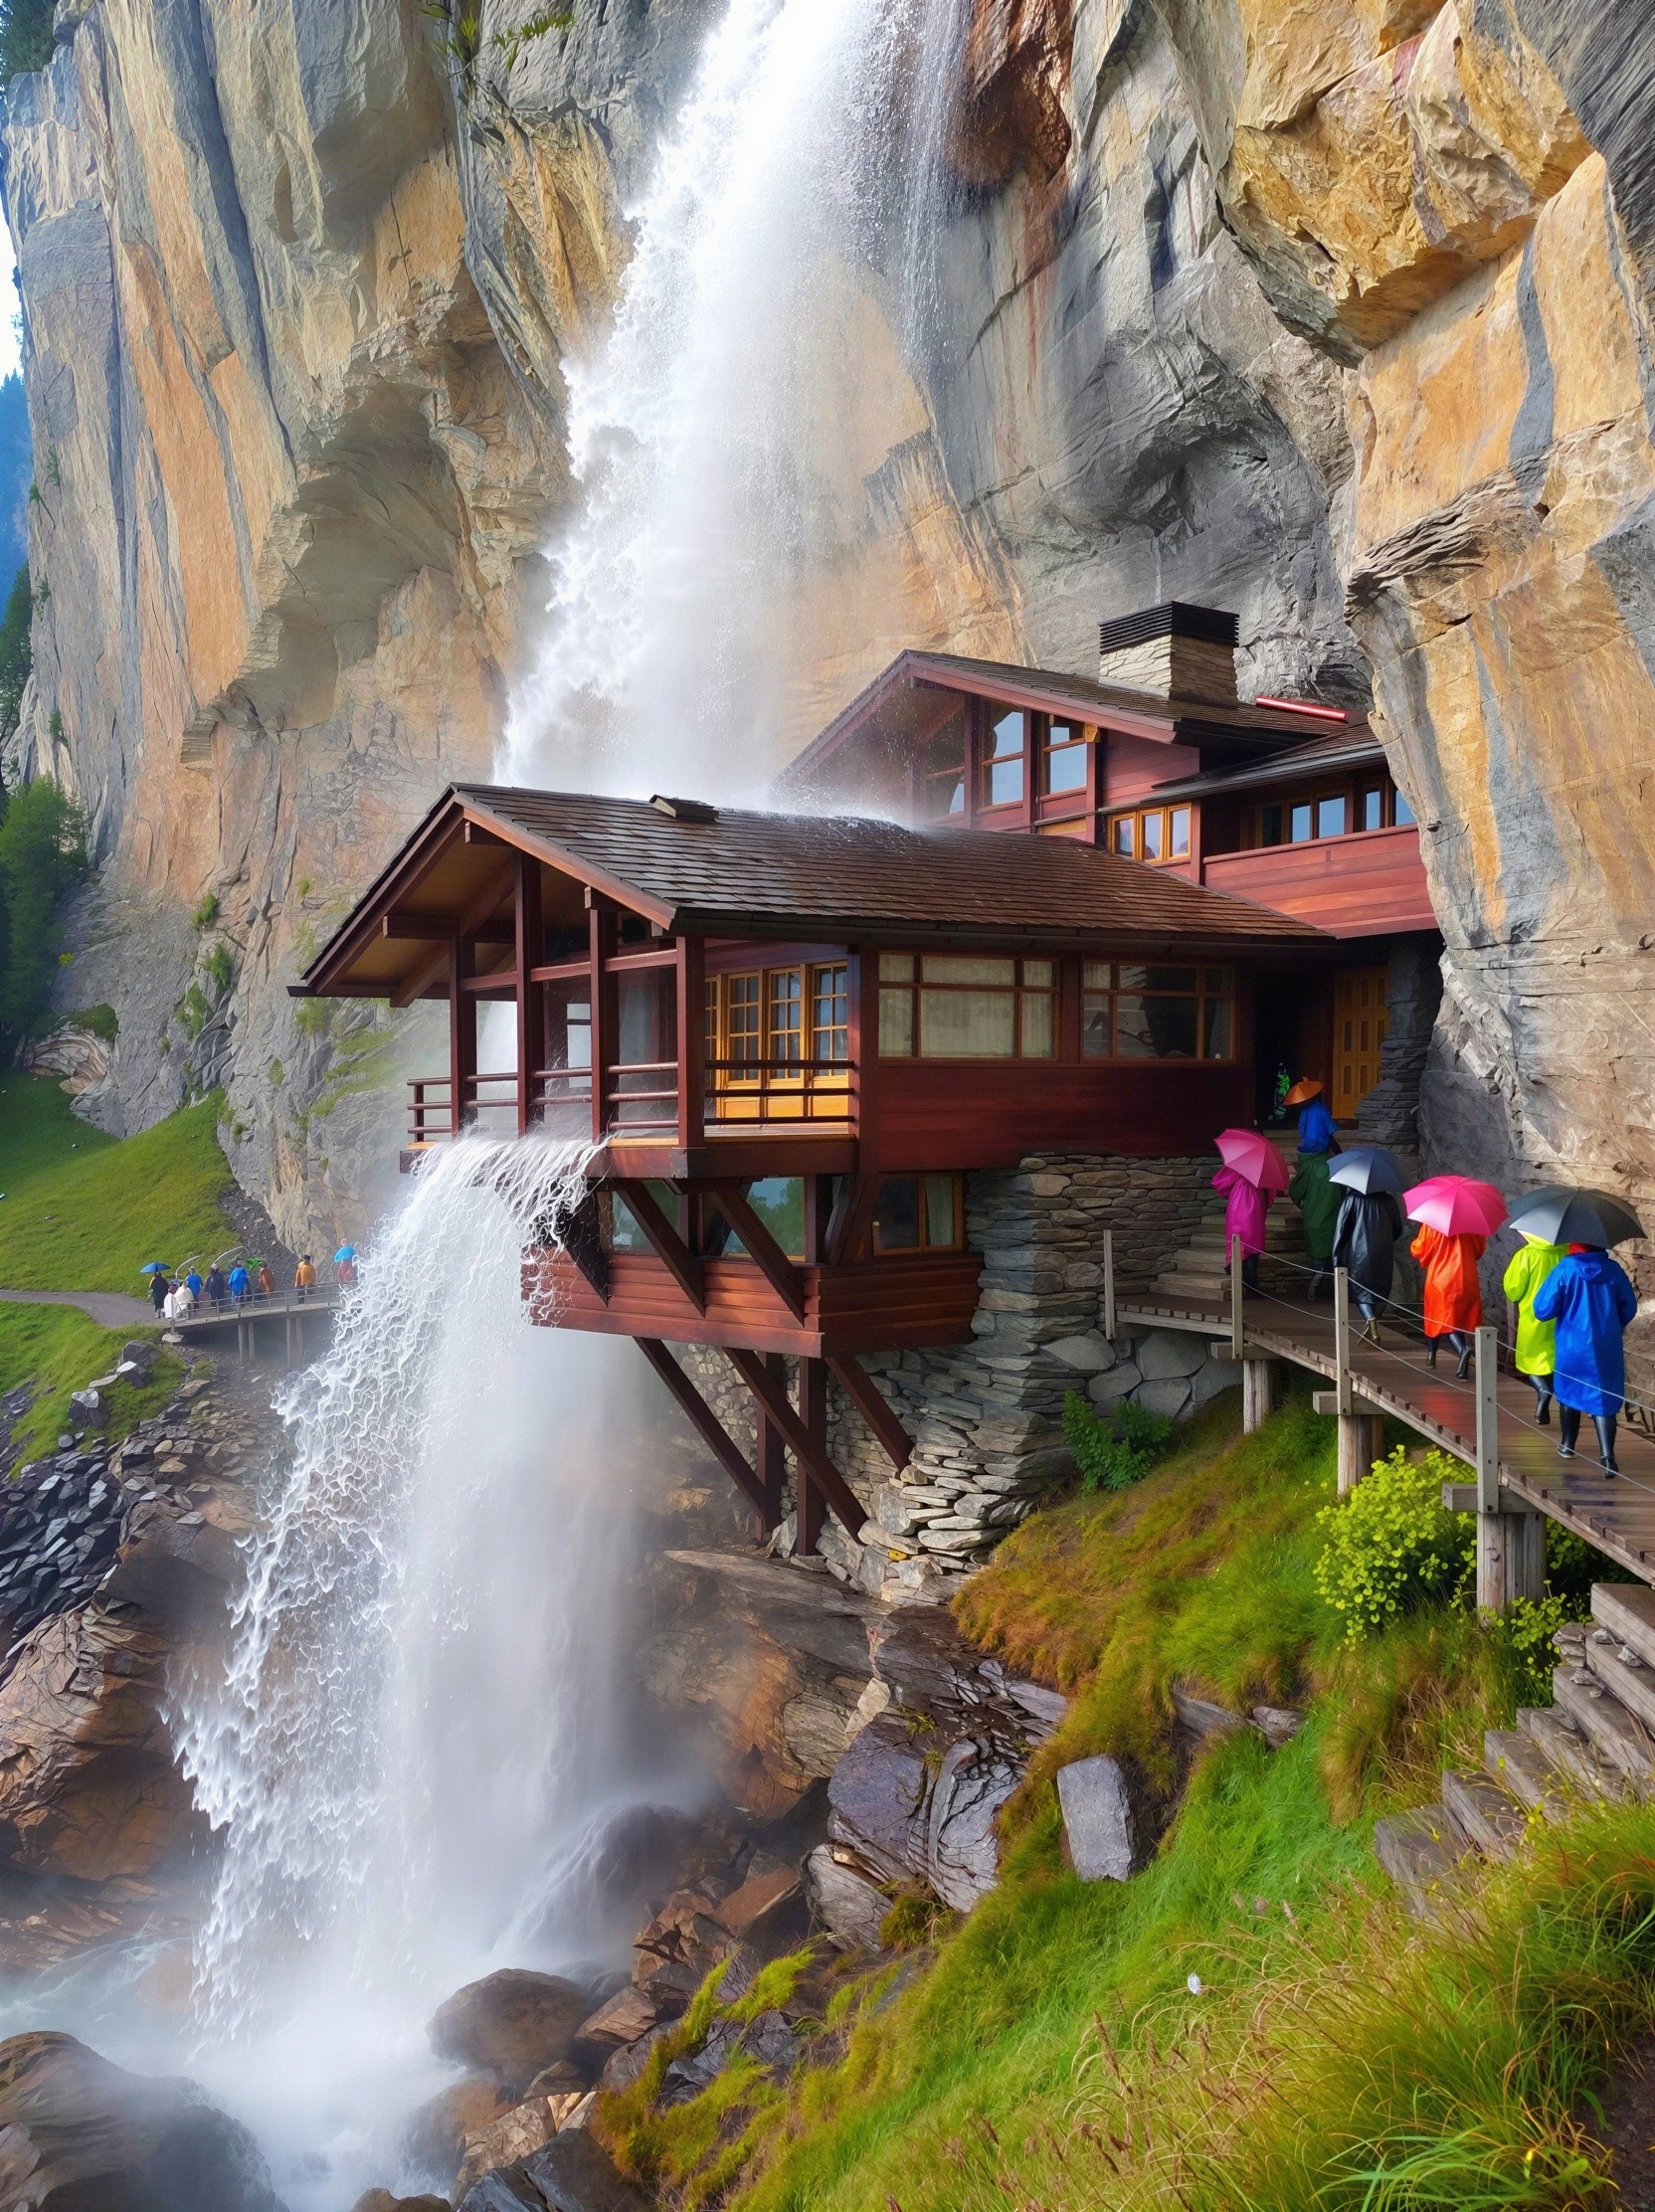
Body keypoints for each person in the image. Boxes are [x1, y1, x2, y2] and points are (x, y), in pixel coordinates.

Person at [1533, 1243, 1638, 1473]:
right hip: (1606, 1346)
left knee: (1569, 1392)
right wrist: (1611, 1324)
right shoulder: (1614, 1269)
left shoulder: (1565, 1268)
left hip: (1572, 1345)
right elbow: (1629, 1307)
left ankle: (1567, 1445)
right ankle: (1608, 1457)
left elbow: (1542, 1309)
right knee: (1604, 1396)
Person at [1502, 1231, 1568, 1424]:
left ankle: (1542, 1390)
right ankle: (1555, 1393)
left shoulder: (1526, 1255)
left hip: (1532, 1317)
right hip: (1560, 1317)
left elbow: (1513, 1290)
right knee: (1552, 1358)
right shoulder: (1566, 1253)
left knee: (1529, 1359)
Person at [1410, 1221, 1486, 1377]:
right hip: (1466, 1278)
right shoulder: (1470, 1223)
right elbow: (1479, 1250)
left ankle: (1461, 1350)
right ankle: (1435, 1357)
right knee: (1458, 1320)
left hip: (1441, 1280)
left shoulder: (1432, 1223)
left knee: (1441, 1320)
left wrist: (1414, 1244)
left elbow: (1419, 1249)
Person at [1330, 1185, 1404, 1342]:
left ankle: (1370, 1319)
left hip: (1358, 1254)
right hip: (1383, 1252)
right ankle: (1372, 1325)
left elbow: (1341, 1230)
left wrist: (1336, 1258)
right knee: (1381, 1291)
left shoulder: (1352, 1199)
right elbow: (1397, 1229)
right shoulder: (1389, 1201)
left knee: (1361, 1292)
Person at [1287, 1092, 1341, 1298]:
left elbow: (1295, 1192)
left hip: (1312, 1219)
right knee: (1334, 1254)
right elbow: (1330, 1134)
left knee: (1318, 1255)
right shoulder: (1333, 1168)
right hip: (1333, 1219)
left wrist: (1305, 1205)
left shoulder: (1307, 1168)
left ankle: (1316, 1285)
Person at [1211, 1161, 1272, 1291]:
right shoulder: (1263, 1166)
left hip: (1237, 1201)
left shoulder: (1237, 1164)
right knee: (1253, 1243)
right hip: (1256, 1201)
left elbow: (1220, 1183)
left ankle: (1240, 1278)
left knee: (1238, 1242)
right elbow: (1271, 1190)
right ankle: (1251, 1282)